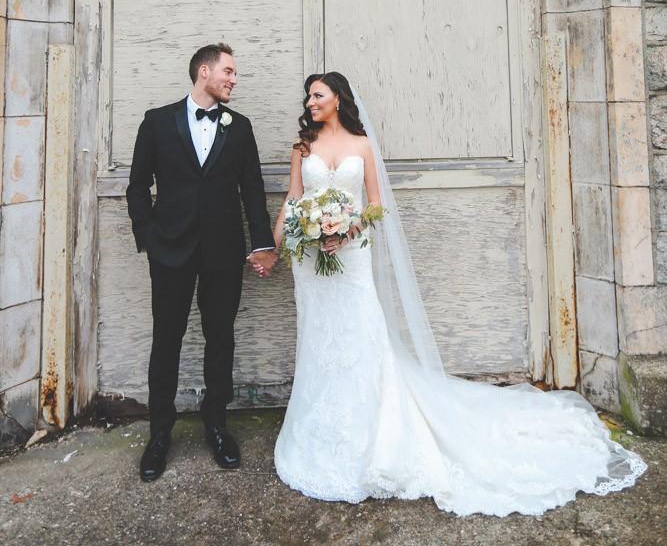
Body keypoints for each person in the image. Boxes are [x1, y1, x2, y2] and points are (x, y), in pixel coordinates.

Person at [265, 71, 646, 517]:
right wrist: (276, 249)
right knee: (319, 341)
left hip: (351, 260)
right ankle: (319, 437)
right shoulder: (302, 149)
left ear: (337, 99)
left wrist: (348, 229)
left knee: (359, 339)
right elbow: (293, 200)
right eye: (308, 96)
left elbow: (375, 205)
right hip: (312, 266)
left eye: (318, 95)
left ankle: (373, 438)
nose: (310, 102)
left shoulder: (362, 146)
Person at [126, 43, 278, 482]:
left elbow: (251, 189)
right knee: (166, 341)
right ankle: (159, 435)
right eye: (228, 71)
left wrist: (262, 243)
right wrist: (149, 238)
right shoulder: (157, 121)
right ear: (204, 71)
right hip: (169, 252)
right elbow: (138, 186)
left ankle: (217, 426)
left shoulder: (241, 127)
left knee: (220, 339)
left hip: (223, 254)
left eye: (235, 74)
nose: (234, 79)